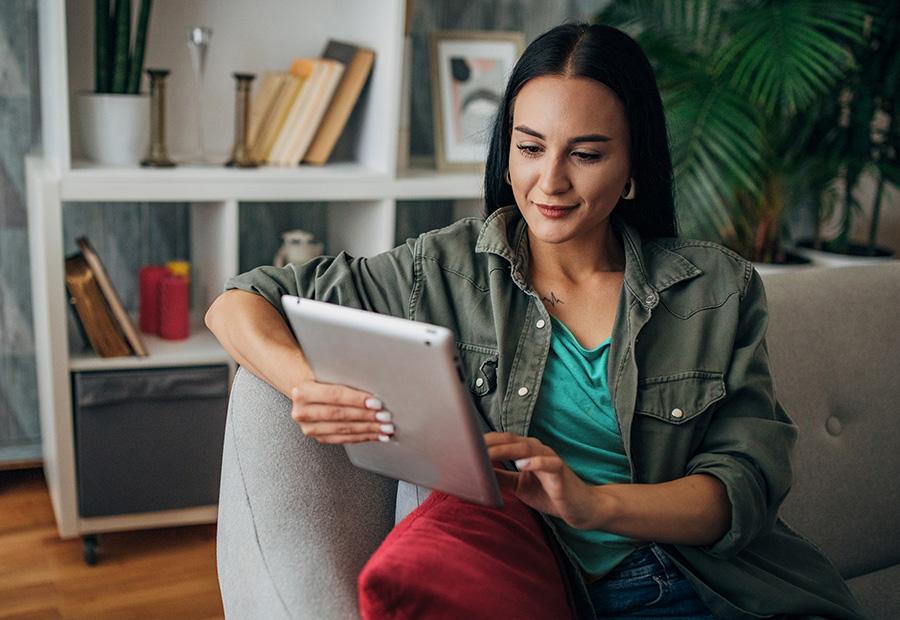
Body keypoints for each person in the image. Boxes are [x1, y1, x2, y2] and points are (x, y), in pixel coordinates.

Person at [206, 22, 867, 620]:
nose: (548, 181)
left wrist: (595, 504)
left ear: (634, 167)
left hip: (734, 587)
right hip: (571, 592)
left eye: (586, 154)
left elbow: (745, 488)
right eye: (530, 147)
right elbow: (239, 300)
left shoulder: (718, 289)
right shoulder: (443, 270)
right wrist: (305, 386)